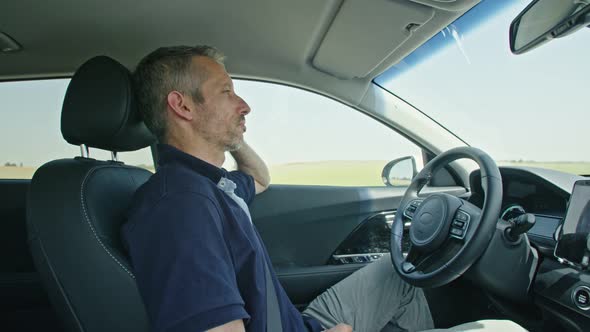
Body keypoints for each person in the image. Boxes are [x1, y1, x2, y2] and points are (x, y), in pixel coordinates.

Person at [120, 45, 435, 332]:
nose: (244, 106)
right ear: (183, 106)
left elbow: (259, 178)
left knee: (402, 274)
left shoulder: (212, 184)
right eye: (226, 92)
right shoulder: (179, 206)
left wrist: (231, 131)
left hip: (298, 323)